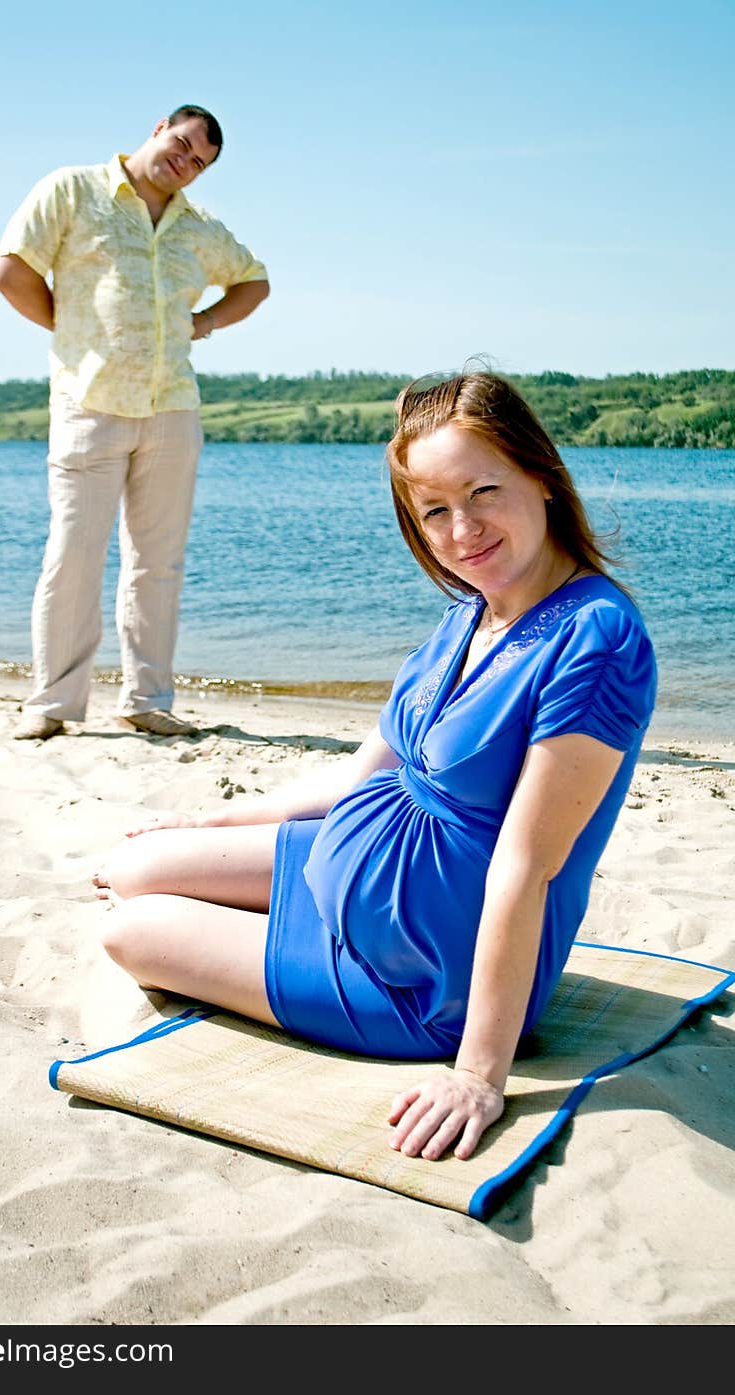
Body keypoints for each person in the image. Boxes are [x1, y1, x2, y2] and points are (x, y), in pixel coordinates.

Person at [91, 370, 657, 1161]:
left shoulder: (598, 639)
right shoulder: (474, 610)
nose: (463, 530)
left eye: (483, 490)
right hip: (360, 879)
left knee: (131, 928)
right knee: (135, 864)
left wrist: (477, 1075)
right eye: (434, 510)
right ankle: (285, 919)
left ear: (541, 474)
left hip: (430, 977)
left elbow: (525, 868)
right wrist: (213, 819)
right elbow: (368, 774)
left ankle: (316, 961)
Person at [0, 105, 270, 741]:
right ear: (156, 131)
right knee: (72, 558)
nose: (185, 163)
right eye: (182, 145)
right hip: (89, 403)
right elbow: (11, 272)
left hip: (172, 408)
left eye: (199, 163)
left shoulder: (198, 227)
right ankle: (52, 705)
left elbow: (255, 282)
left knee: (158, 564)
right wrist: (72, 332)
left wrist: (204, 323)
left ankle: (147, 699)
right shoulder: (73, 188)